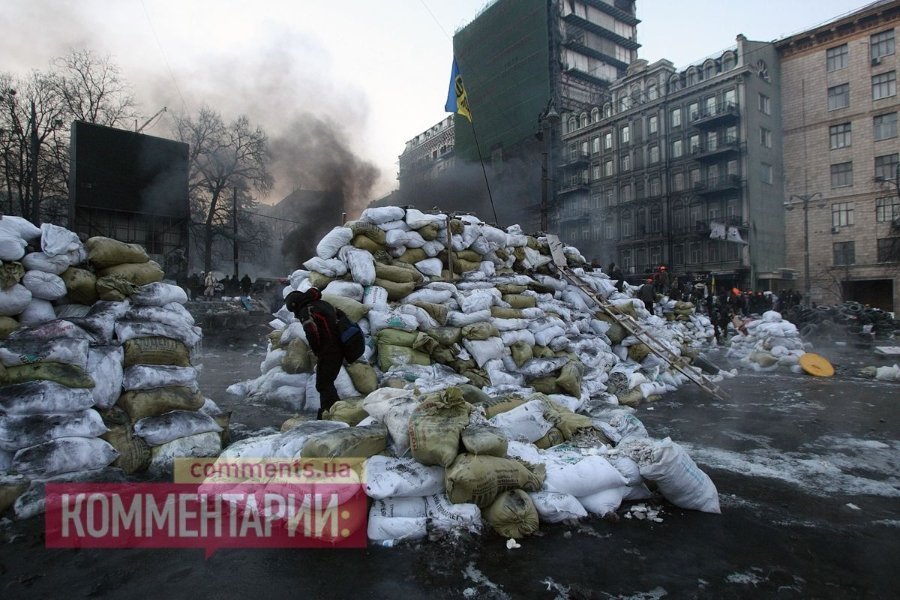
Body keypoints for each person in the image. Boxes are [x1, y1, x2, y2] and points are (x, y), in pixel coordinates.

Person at [285, 287, 343, 420]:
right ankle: (332, 411)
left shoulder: (306, 311)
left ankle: (332, 413)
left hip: (329, 349)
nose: (295, 314)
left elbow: (311, 332)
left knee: (323, 383)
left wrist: (317, 350)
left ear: (295, 305)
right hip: (338, 346)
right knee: (326, 381)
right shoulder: (322, 304)